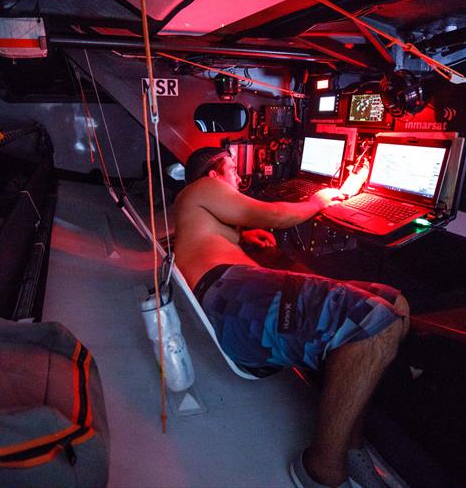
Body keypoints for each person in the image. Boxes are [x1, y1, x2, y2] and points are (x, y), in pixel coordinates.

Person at [173, 147, 410, 488]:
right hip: (228, 302)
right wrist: (320, 200)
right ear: (213, 174)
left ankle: (353, 447)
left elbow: (211, 234)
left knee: (395, 303)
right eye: (233, 169)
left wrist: (242, 237)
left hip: (227, 298)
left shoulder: (195, 204)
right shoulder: (202, 188)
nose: (239, 177)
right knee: (374, 324)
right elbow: (276, 215)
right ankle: (320, 469)